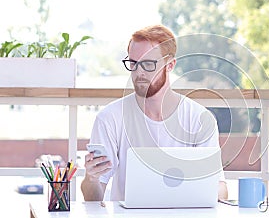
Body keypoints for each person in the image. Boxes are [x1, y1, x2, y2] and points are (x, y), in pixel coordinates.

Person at [81, 24, 228, 201]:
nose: (139, 72)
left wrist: (209, 193)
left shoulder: (199, 118)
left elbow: (220, 188)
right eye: (133, 63)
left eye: (148, 64)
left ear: (170, 65)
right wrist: (91, 179)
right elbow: (93, 199)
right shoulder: (110, 118)